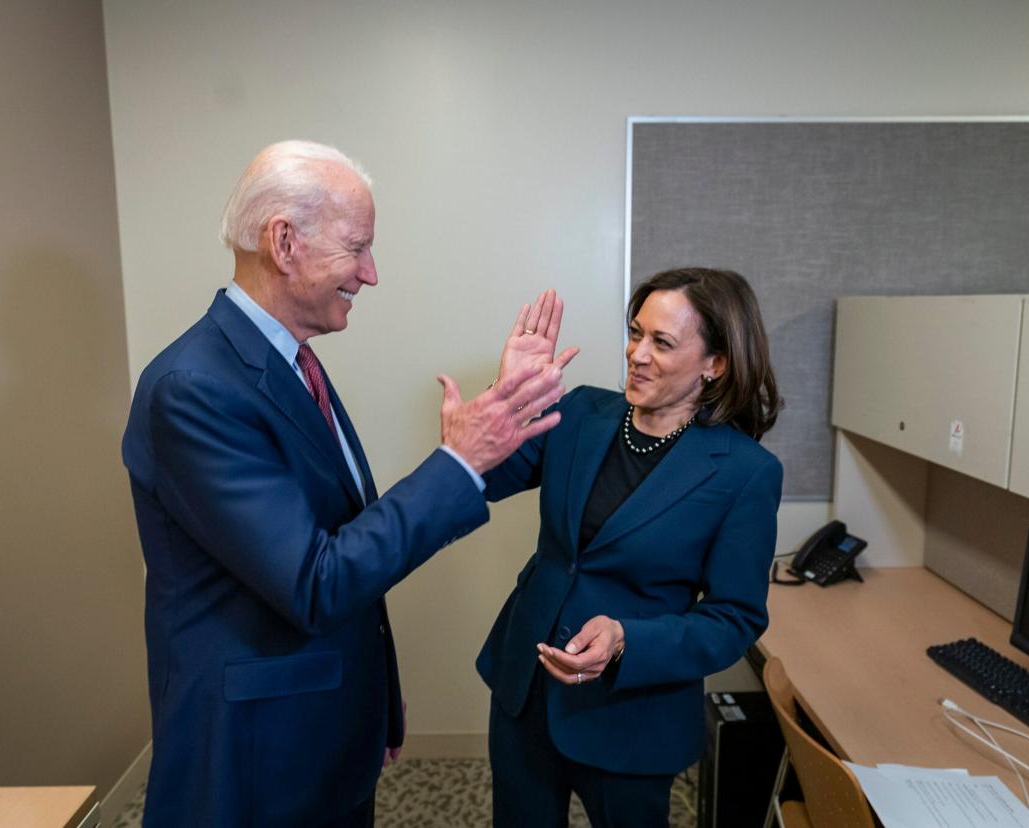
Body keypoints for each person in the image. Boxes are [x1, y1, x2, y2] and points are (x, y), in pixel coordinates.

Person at [121, 140, 572, 827]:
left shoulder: (290, 360)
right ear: (284, 242)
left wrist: (374, 705)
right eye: (358, 247)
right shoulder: (195, 389)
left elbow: (338, 539)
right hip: (253, 757)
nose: (372, 273)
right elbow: (317, 581)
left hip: (321, 728)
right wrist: (458, 462)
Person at [477, 267, 784, 827]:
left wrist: (627, 640)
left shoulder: (744, 472)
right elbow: (483, 482)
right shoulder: (578, 415)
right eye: (636, 332)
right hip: (527, 690)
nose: (636, 354)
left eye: (662, 342)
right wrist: (507, 399)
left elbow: (734, 618)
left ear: (716, 364)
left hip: (632, 715)